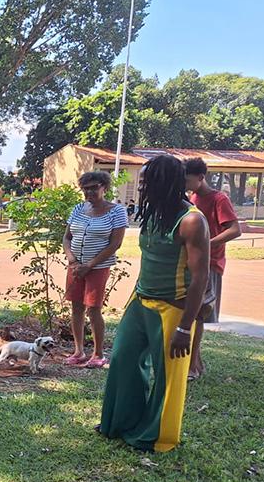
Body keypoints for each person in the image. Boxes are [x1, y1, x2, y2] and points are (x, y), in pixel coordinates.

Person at [99, 155, 210, 453]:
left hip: (174, 309)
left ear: (166, 183)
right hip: (140, 301)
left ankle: (156, 436)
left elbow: (201, 278)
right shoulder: (153, 213)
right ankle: (121, 422)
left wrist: (186, 328)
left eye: (148, 181)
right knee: (122, 359)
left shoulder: (192, 221)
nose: (142, 186)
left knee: (168, 378)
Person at [62, 171, 128, 368]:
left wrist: (89, 265)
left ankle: (98, 354)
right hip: (75, 267)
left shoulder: (116, 211)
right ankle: (79, 351)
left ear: (104, 187)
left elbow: (115, 244)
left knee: (94, 308)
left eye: (94, 187)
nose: (89, 191)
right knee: (76, 306)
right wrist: (73, 261)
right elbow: (67, 237)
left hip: (97, 267)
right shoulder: (78, 209)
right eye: (86, 188)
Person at [184, 157, 241, 381]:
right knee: (192, 312)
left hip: (210, 264)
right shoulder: (193, 198)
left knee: (198, 314)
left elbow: (235, 230)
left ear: (200, 177)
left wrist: (207, 244)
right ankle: (195, 364)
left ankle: (192, 367)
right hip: (192, 263)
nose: (185, 185)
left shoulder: (219, 199)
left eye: (188, 180)